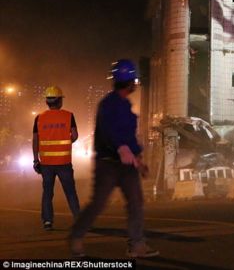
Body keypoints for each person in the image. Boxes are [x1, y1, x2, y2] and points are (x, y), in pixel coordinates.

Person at [69, 59, 158, 258]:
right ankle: (76, 236)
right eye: (134, 79)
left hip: (126, 165)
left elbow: (129, 137)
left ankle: (136, 245)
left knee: (135, 202)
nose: (135, 83)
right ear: (129, 81)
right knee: (98, 203)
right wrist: (122, 149)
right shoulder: (109, 104)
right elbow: (109, 132)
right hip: (108, 164)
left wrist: (138, 159)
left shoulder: (125, 105)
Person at [32, 85, 81, 231]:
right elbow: (75, 136)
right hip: (64, 162)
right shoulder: (68, 115)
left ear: (47, 101)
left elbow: (35, 141)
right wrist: (65, 144)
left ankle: (47, 221)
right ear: (60, 101)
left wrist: (36, 160)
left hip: (46, 164)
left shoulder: (39, 118)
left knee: (47, 192)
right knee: (70, 192)